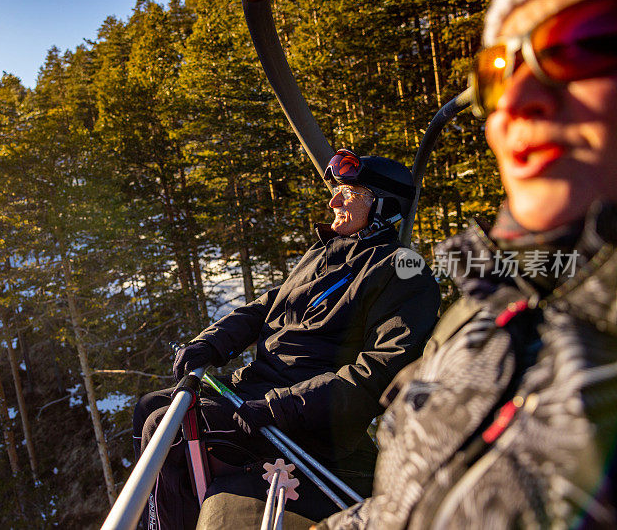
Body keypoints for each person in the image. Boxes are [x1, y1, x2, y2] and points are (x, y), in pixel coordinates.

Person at [316, 0, 617, 527]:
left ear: (384, 208)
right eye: (496, 74)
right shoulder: (494, 299)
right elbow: (407, 503)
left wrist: (269, 409)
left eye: (581, 43)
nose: (515, 102)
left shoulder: (404, 271)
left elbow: (372, 368)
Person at [132, 151, 441, 529]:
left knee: (167, 427)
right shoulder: (324, 252)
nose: (333, 201)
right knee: (149, 406)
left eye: (349, 192)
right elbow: (267, 306)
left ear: (381, 204)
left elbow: (382, 371)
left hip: (308, 419)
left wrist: (282, 406)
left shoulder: (402, 271)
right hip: (260, 390)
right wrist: (212, 343)